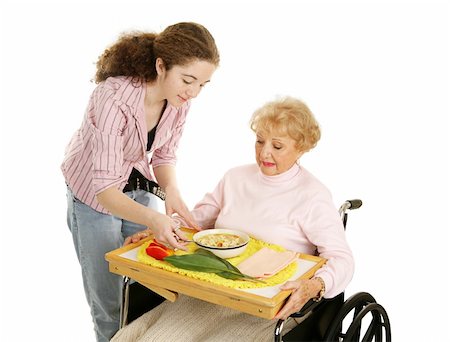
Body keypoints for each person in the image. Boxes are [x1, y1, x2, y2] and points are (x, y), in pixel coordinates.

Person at [114, 97, 355, 342]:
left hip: (269, 306)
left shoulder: (312, 195)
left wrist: (314, 286)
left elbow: (342, 259)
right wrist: (160, 230)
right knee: (137, 338)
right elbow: (196, 222)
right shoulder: (235, 178)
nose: (265, 152)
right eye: (260, 141)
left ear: (301, 147)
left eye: (278, 146)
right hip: (214, 292)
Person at [61, 22, 220, 342]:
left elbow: (163, 154)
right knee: (109, 303)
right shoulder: (111, 97)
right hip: (94, 197)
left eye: (203, 84)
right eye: (188, 80)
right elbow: (104, 190)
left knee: (146, 291)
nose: (193, 92)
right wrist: (154, 218)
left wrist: (171, 193)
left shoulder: (180, 102)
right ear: (161, 65)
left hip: (137, 186)